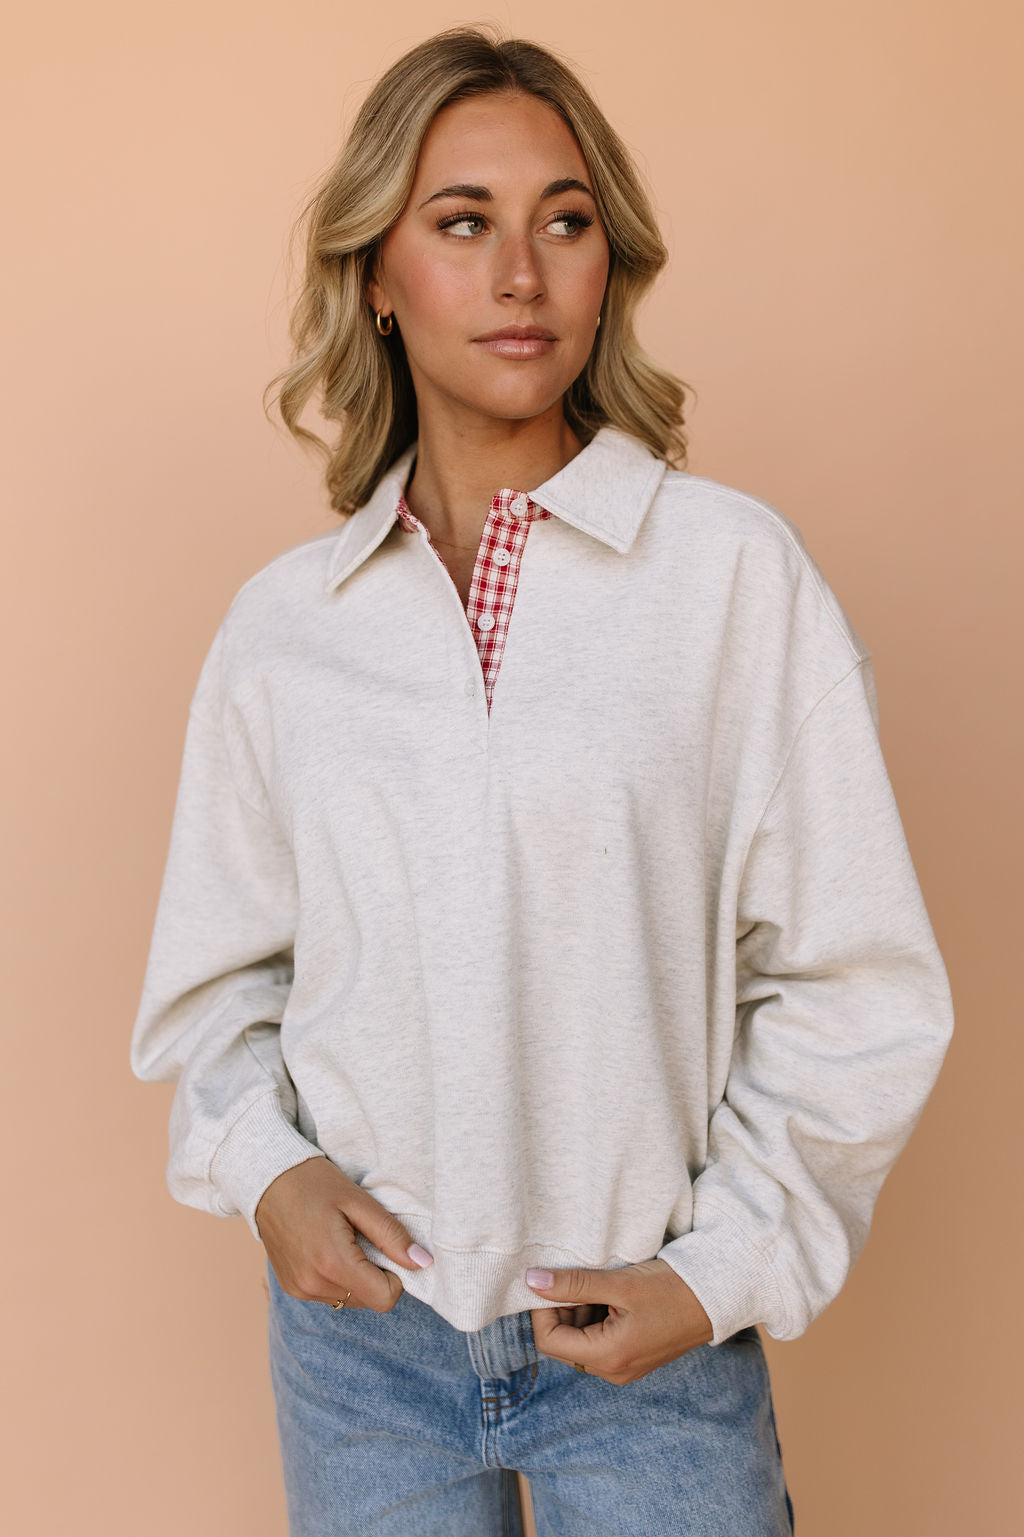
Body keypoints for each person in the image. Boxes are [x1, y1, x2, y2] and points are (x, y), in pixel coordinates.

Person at [129, 24, 954, 1537]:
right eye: (463, 224)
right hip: (363, 1348)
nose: (521, 274)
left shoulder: (731, 580)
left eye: (564, 223)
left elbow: (860, 980)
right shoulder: (287, 630)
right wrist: (269, 1176)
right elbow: (215, 986)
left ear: (607, 264)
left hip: (649, 1347)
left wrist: (720, 1269)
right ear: (376, 275)